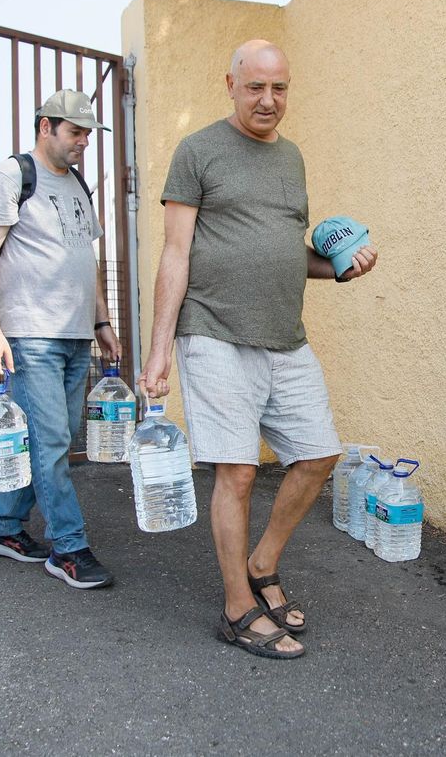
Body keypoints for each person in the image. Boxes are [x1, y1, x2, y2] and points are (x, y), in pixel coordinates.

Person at [140, 40, 379, 659]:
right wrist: (157, 350)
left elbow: (283, 250)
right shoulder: (197, 152)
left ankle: (262, 563)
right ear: (231, 85)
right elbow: (175, 253)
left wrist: (341, 269)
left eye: (280, 89)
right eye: (256, 88)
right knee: (238, 471)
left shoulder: (292, 160)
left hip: (284, 335)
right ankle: (237, 607)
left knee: (319, 454)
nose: (269, 101)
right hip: (213, 330)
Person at [0, 89, 122, 590]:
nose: (83, 143)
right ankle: (69, 547)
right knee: (52, 440)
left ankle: (1, 526)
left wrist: (102, 323)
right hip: (30, 333)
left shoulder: (77, 183)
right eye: (75, 132)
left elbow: (88, 259)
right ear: (45, 126)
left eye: (87, 135)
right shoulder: (12, 176)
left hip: (76, 334)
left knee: (54, 439)